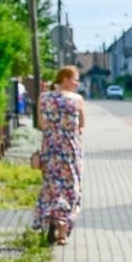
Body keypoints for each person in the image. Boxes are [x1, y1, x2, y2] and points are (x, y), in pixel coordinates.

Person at [33, 66, 85, 246]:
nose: (77, 84)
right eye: (75, 79)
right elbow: (81, 128)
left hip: (51, 149)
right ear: (64, 78)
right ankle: (62, 230)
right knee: (72, 188)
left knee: (51, 186)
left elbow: (41, 124)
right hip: (70, 151)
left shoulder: (44, 98)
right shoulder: (77, 100)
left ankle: (51, 220)